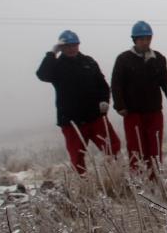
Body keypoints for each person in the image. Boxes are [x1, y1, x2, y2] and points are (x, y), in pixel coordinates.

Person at [36, 30, 121, 174]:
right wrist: (51, 53)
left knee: (113, 147)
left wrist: (104, 101)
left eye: (74, 45)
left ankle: (116, 177)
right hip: (71, 122)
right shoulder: (56, 66)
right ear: (61, 48)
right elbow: (42, 74)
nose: (71, 48)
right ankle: (84, 186)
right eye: (67, 46)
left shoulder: (89, 62)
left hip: (95, 117)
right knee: (77, 157)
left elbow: (103, 85)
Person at [111, 21, 167, 178]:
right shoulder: (123, 59)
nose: (145, 41)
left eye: (147, 38)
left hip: (154, 111)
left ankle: (156, 178)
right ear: (134, 40)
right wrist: (119, 105)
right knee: (135, 148)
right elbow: (116, 84)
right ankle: (139, 180)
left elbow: (165, 80)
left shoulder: (158, 58)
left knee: (154, 147)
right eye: (141, 39)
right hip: (132, 113)